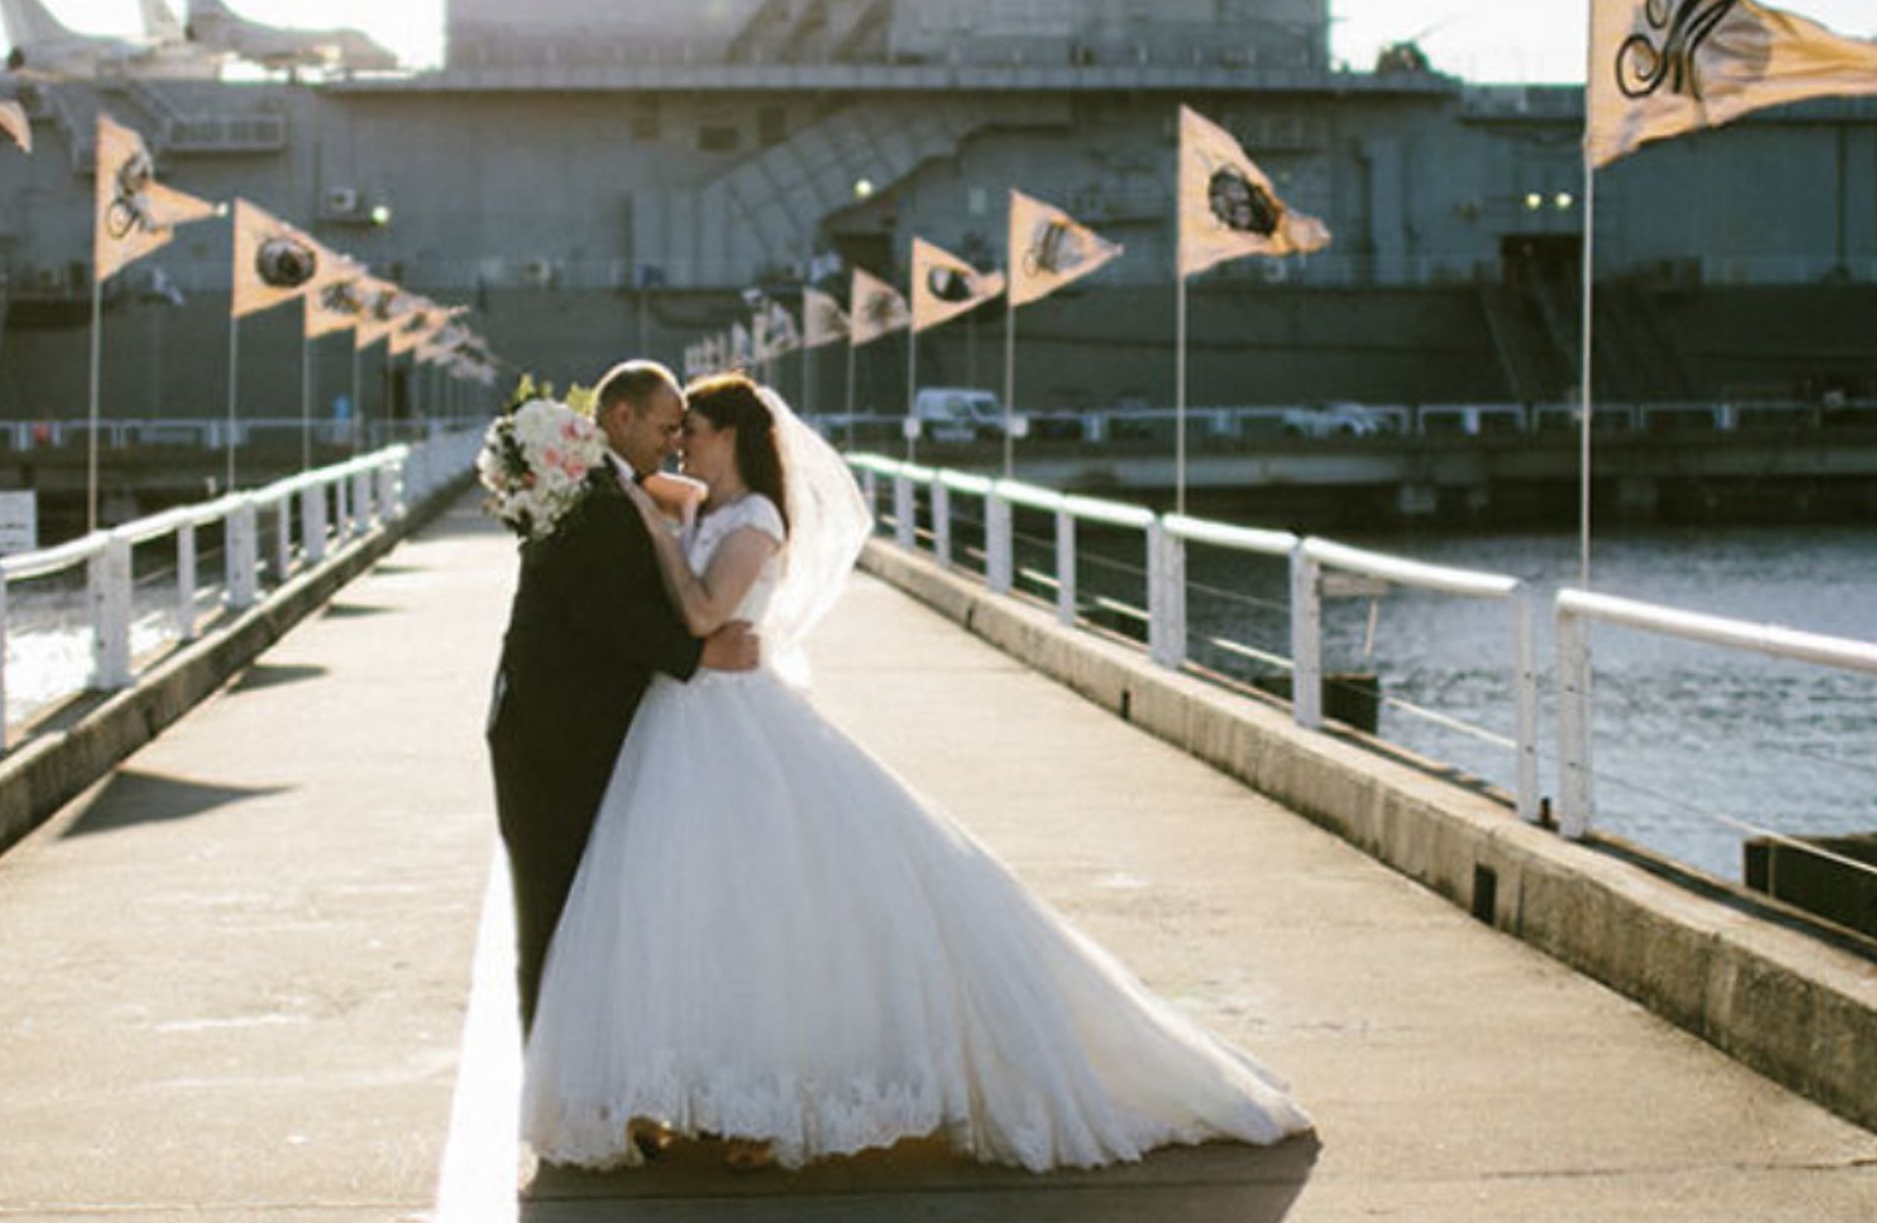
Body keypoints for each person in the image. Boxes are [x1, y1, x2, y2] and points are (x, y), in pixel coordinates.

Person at [523, 373, 1310, 1172]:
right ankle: (710, 1092)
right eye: (675, 425)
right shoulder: (708, 507)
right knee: (696, 909)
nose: (680, 438)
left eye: (692, 425)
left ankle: (762, 1103)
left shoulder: (755, 517)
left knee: (763, 911)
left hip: (732, 722)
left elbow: (700, 614)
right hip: (688, 721)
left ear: (732, 435)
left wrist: (654, 530)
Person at [487, 361, 763, 1033]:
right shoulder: (592, 498)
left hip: (564, 731)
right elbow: (608, 612)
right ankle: (553, 1090)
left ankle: (577, 1075)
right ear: (621, 419)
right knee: (552, 911)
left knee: (583, 910)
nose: (674, 443)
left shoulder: (605, 484)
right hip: (553, 741)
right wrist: (699, 652)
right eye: (668, 428)